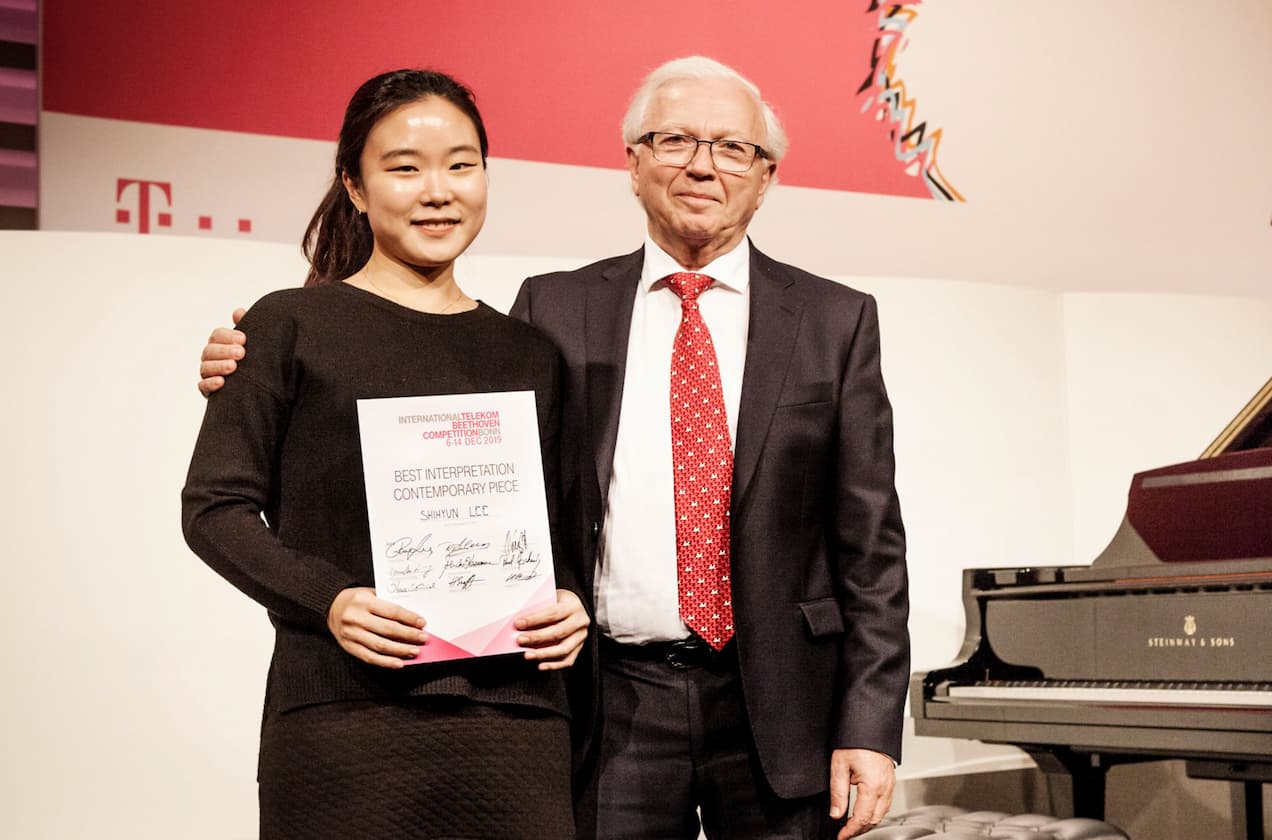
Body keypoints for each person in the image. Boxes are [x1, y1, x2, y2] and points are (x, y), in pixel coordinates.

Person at [199, 55, 910, 840]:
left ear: (767, 173)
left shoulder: (836, 321)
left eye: (732, 147)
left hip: (778, 707)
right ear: (633, 164)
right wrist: (248, 363)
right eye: (673, 140)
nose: (702, 165)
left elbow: (869, 546)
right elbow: (475, 448)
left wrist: (872, 726)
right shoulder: (554, 312)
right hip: (608, 704)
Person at [182, 69, 589, 839]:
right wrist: (330, 599)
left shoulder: (531, 352)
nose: (438, 190)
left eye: (461, 165)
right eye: (404, 167)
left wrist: (570, 604)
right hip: (343, 717)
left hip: (516, 720)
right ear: (356, 188)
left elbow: (559, 532)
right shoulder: (288, 325)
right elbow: (214, 509)